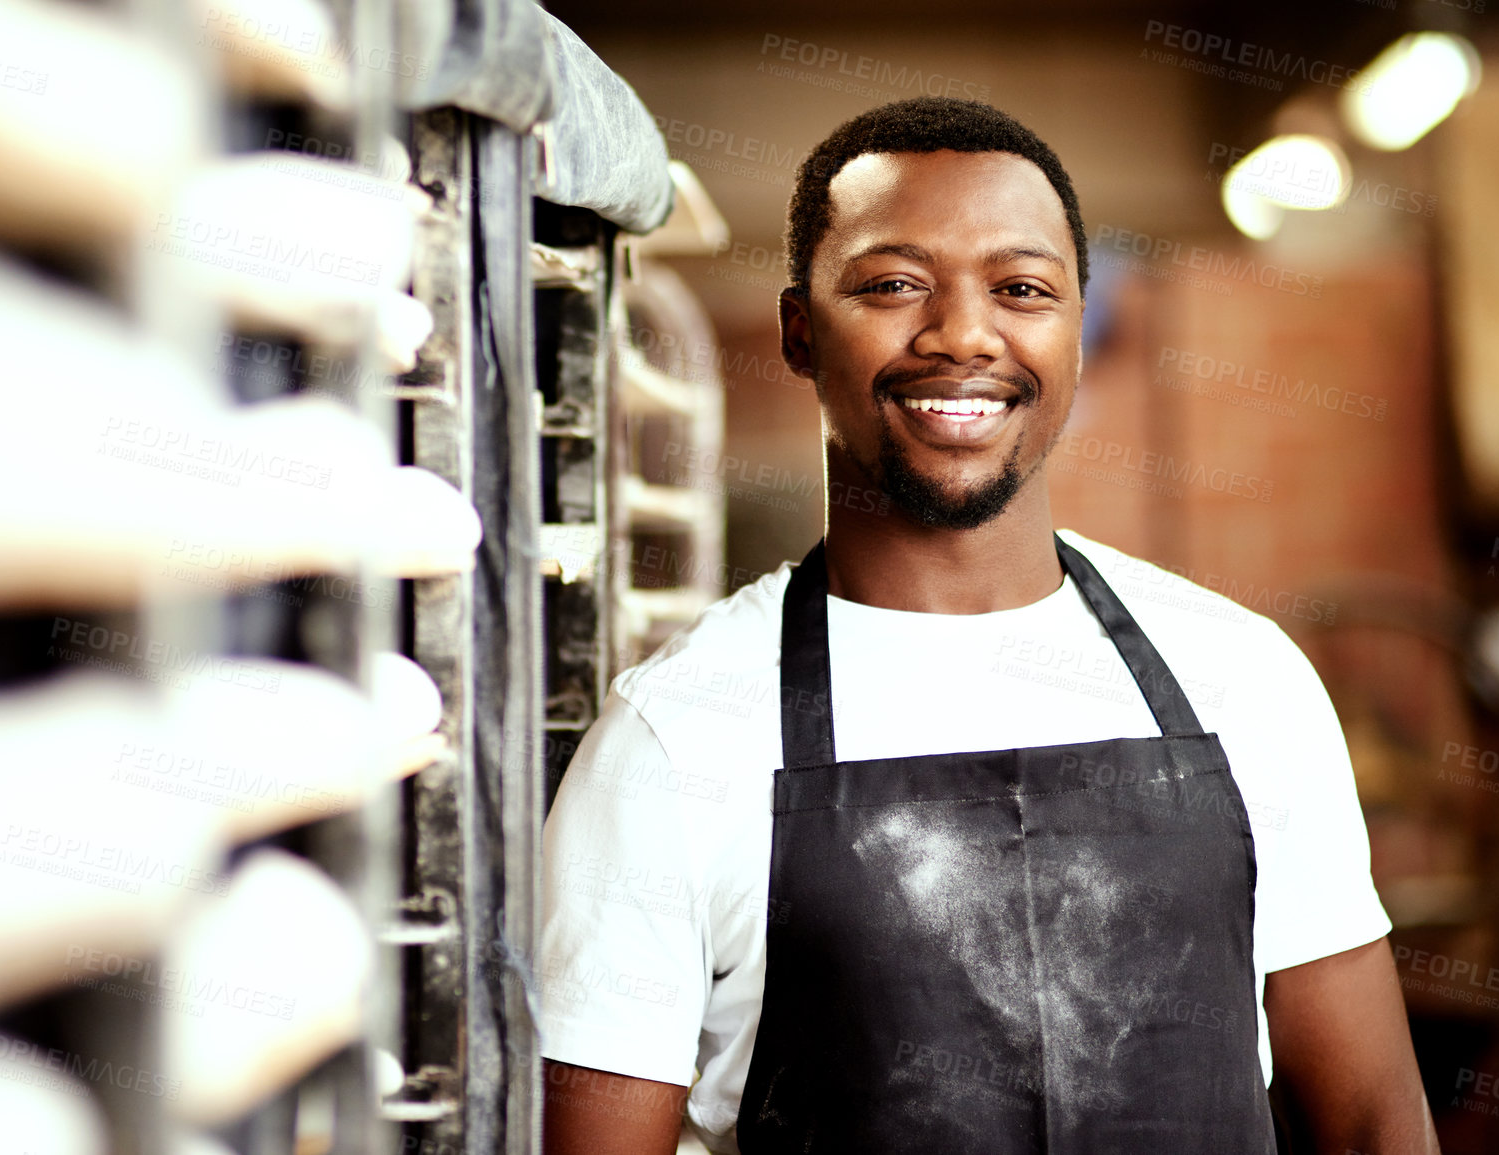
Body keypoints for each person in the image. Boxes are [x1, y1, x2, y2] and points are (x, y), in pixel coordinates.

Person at [538, 97, 1435, 1154]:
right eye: (892, 285)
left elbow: (1377, 1121)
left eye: (1021, 289)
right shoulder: (674, 739)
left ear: (1077, 332)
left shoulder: (1243, 679)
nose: (963, 332)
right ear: (797, 331)